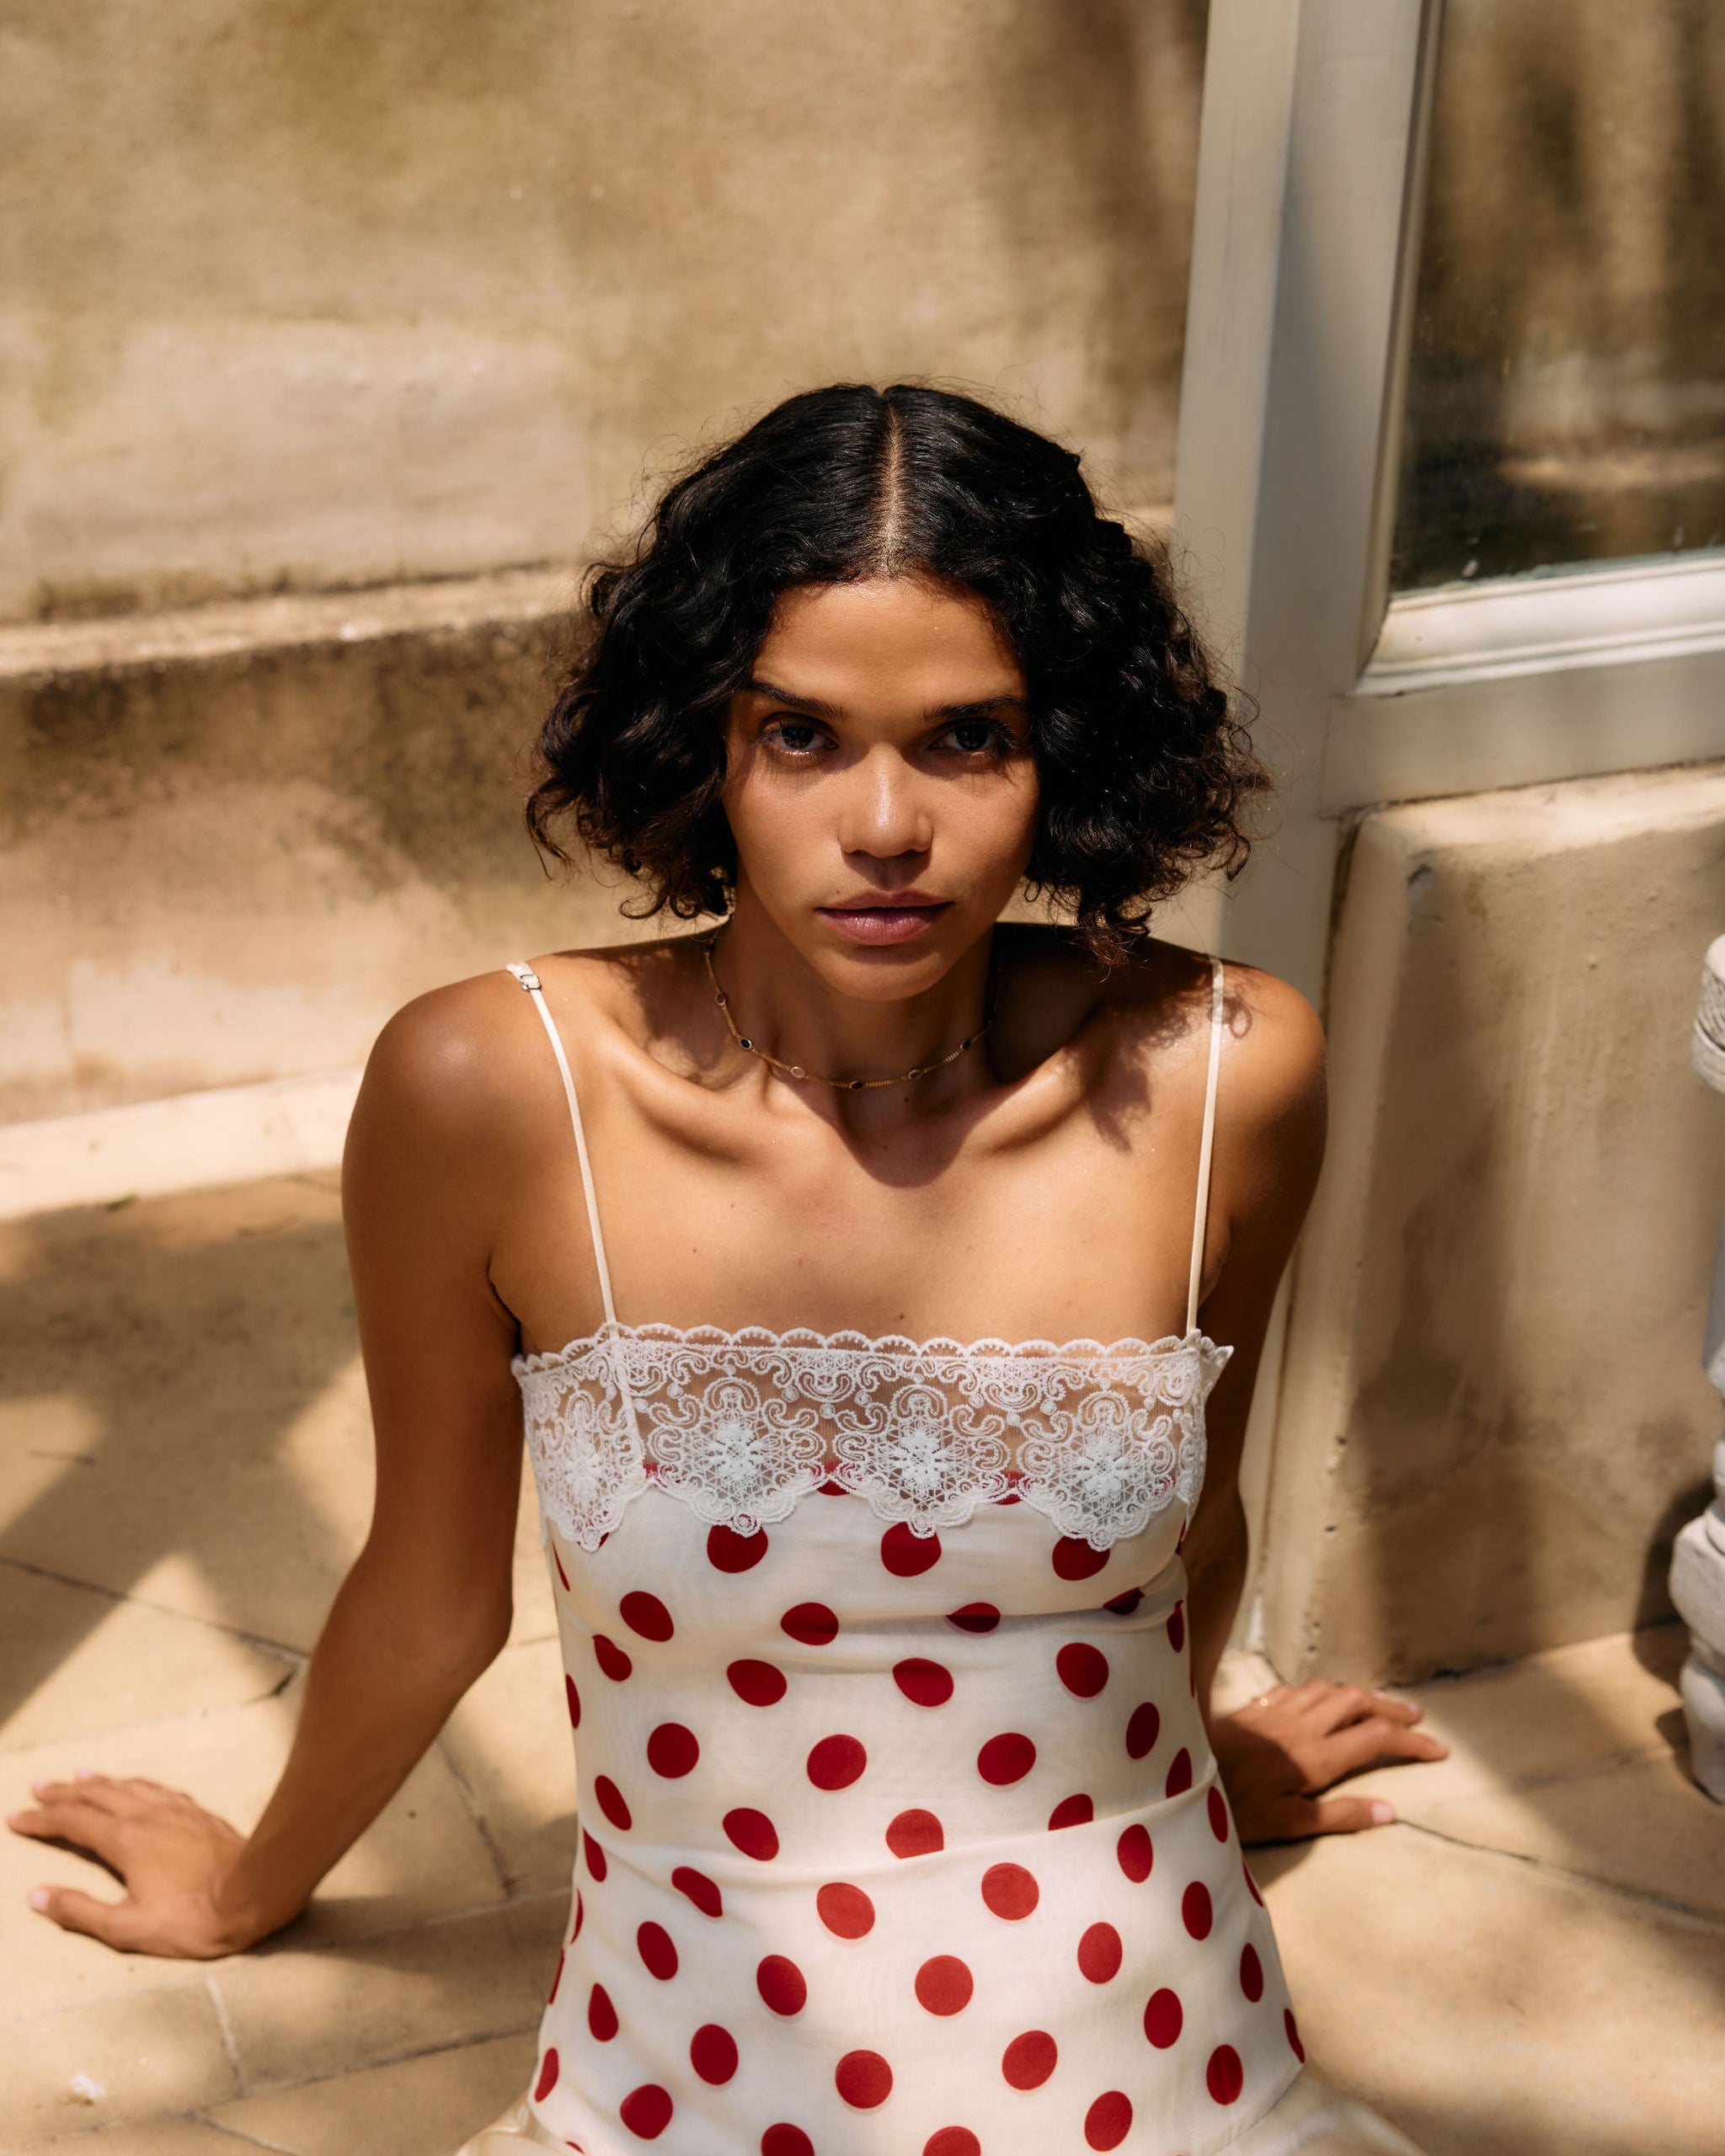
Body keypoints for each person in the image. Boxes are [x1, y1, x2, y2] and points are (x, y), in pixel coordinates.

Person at [10, 385, 1443, 2153]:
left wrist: (1166, 1775)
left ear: (1064, 744)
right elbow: (429, 1590)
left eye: (968, 737)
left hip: (1166, 2075)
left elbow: (1184, 1531)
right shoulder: (496, 1085)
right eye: (804, 738)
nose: (888, 825)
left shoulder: (1226, 1074)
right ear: (706, 743)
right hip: (685, 2093)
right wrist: (243, 1885)